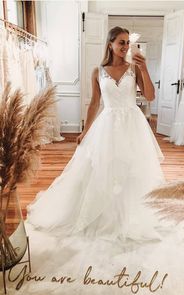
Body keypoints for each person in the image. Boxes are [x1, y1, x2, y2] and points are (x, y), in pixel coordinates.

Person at [27, 26, 165, 241]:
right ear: (110, 44)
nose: (126, 46)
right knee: (104, 167)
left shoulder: (134, 69)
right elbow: (94, 103)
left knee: (132, 168)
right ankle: (102, 215)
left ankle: (128, 216)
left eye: (128, 42)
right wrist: (85, 130)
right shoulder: (97, 71)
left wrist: (145, 69)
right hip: (107, 124)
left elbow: (149, 97)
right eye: (121, 42)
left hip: (132, 124)